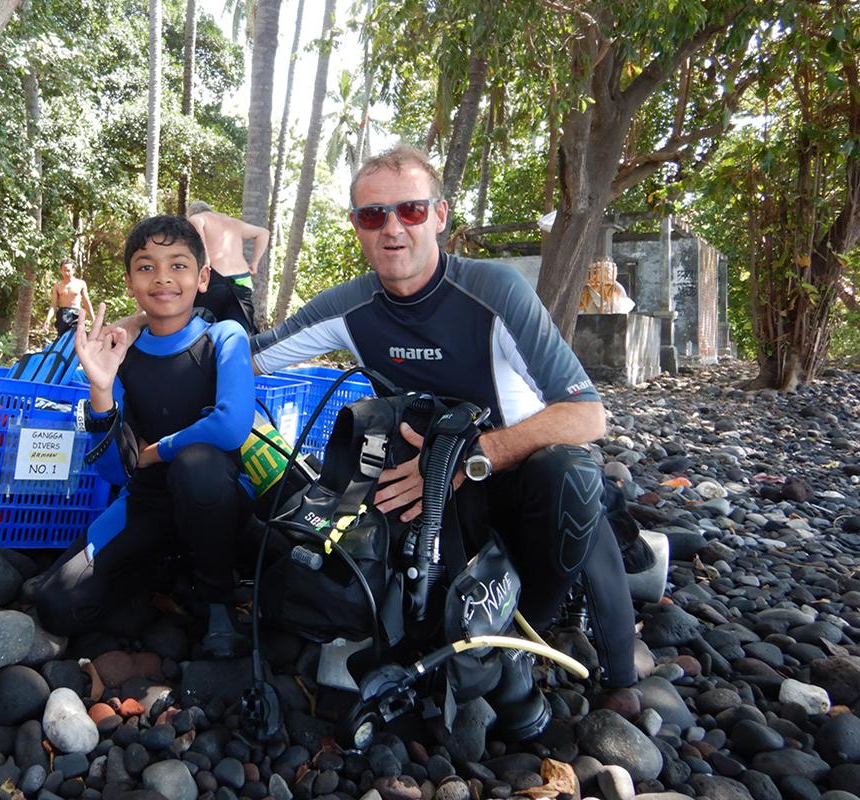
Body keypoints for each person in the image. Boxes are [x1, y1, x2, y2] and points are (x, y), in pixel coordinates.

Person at [250, 145, 638, 703]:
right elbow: (248, 356)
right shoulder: (352, 307)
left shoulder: (493, 291)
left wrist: (474, 456)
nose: (391, 229)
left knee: (573, 475)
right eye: (371, 215)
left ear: (439, 216)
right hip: (423, 498)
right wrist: (157, 315)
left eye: (409, 210)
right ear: (357, 228)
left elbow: (587, 414)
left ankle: (532, 632)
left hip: (511, 479)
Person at [36, 216, 255, 658]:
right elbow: (117, 469)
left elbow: (231, 426)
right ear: (130, 281)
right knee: (56, 605)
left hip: (219, 496)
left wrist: (159, 450)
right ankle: (164, 565)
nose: (163, 279)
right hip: (148, 502)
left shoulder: (222, 337)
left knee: (198, 464)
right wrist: (101, 388)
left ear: (202, 277)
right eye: (146, 267)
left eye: (178, 265)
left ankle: (217, 600)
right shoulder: (122, 354)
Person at [186, 201, 268, 335]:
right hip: (243, 282)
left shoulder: (197, 219)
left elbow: (201, 250)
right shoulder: (234, 223)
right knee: (238, 333)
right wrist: (254, 264)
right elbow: (263, 233)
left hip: (214, 280)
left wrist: (205, 262)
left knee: (202, 331)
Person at [46, 257, 95, 337]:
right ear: (60, 271)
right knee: (62, 339)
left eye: (68, 270)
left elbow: (86, 301)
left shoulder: (80, 284)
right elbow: (53, 305)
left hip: (76, 314)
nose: (66, 273)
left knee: (77, 339)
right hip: (63, 316)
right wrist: (48, 319)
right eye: (64, 270)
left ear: (73, 271)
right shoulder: (57, 286)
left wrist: (93, 318)